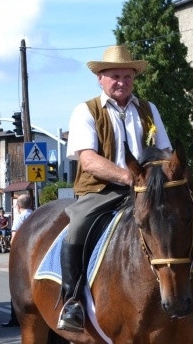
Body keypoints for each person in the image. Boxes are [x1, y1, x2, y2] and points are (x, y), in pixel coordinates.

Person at [58, 45, 172, 332]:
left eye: (127, 76)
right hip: (102, 190)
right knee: (79, 226)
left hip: (148, 191)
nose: (122, 81)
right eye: (115, 76)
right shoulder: (86, 110)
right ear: (100, 78)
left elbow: (166, 151)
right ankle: (72, 301)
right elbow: (88, 159)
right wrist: (127, 177)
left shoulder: (149, 109)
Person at [2, 194, 33, 328]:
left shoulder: (20, 218)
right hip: (37, 256)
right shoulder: (37, 214)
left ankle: (15, 319)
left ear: (18, 206)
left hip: (23, 257)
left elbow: (14, 241)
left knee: (17, 289)